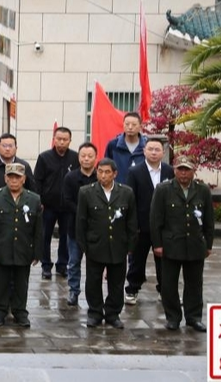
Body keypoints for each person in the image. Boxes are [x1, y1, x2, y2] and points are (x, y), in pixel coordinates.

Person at [150, 155, 213, 332]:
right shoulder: (163, 189)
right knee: (169, 284)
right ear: (174, 170)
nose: (183, 173)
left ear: (194, 170)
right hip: (171, 245)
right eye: (180, 169)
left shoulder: (202, 190)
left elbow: (209, 220)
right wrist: (157, 244)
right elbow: (156, 219)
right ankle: (173, 317)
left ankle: (194, 317)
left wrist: (208, 244)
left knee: (194, 284)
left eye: (187, 169)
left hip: (195, 244)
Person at [76, 157, 137, 329]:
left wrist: (131, 245)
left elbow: (131, 221)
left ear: (114, 174)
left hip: (118, 245)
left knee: (117, 282)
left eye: (107, 172)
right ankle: (95, 312)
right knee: (93, 281)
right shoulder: (86, 192)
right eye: (100, 172)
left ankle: (113, 313)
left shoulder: (126, 192)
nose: (103, 176)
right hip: (95, 244)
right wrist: (83, 245)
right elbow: (81, 221)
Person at [0, 163, 42, 328]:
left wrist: (37, 252)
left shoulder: (34, 199)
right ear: (5, 178)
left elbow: (38, 229)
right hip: (1, 249)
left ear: (24, 179)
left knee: (22, 283)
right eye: (11, 177)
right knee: (0, 283)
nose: (14, 180)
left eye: (17, 177)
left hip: (23, 248)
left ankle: (20, 312)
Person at [124, 139, 173, 305]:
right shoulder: (135, 172)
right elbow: (130, 200)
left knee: (164, 260)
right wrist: (133, 225)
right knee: (137, 260)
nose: (153, 152)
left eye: (157, 149)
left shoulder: (169, 171)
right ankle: (132, 289)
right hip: (141, 225)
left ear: (163, 152)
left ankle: (165, 291)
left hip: (163, 225)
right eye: (150, 149)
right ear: (144, 151)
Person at [33, 126, 77, 281]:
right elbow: (37, 181)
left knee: (66, 236)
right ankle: (46, 266)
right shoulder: (44, 157)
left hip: (68, 206)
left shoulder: (75, 158)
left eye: (65, 139)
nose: (61, 142)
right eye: (59, 139)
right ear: (54, 139)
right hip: (48, 205)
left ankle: (62, 265)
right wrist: (39, 200)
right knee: (45, 236)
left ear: (70, 141)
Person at [61, 142, 99, 307]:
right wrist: (83, 212)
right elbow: (66, 200)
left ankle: (94, 293)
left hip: (96, 228)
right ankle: (73, 290)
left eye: (90, 156)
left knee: (94, 263)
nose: (86, 159)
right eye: (83, 156)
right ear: (78, 157)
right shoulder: (70, 177)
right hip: (75, 226)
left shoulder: (100, 176)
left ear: (95, 157)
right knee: (74, 261)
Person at [104, 112, 147, 186]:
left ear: (140, 126)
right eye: (127, 124)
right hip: (118, 188)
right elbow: (106, 166)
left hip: (142, 188)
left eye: (134, 125)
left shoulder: (147, 146)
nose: (130, 127)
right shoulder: (113, 145)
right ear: (123, 125)